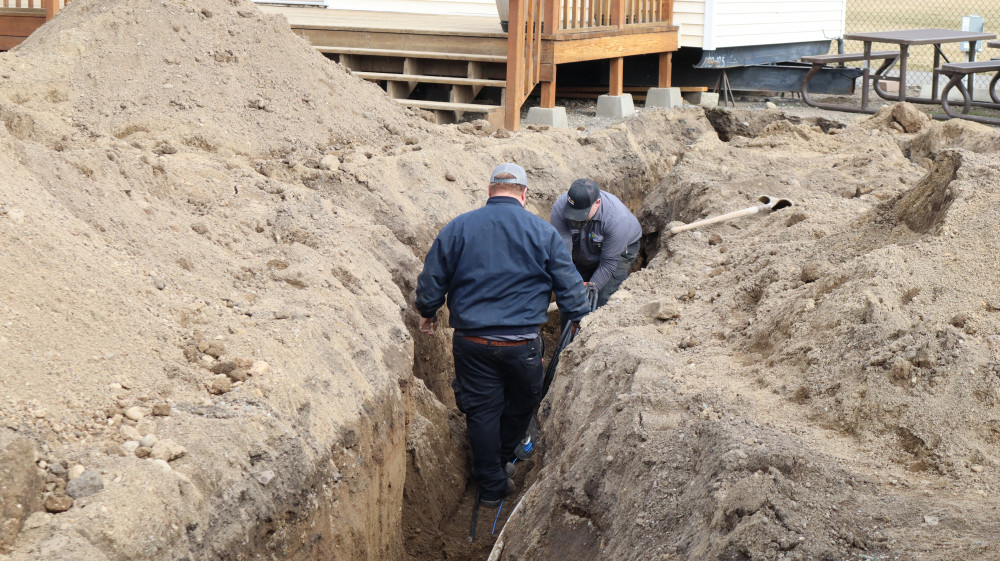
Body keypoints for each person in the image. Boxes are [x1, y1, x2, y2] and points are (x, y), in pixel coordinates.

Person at [415, 163, 591, 506]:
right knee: (523, 403)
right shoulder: (542, 232)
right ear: (524, 195)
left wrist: (427, 312)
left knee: (481, 411)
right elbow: (570, 286)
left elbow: (433, 277)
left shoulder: (458, 227)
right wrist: (578, 317)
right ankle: (499, 464)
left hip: (471, 342)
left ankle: (491, 483)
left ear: (489, 191)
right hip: (521, 344)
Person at [550, 178, 642, 308]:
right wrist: (570, 284)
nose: (575, 218)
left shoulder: (617, 219)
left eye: (581, 214)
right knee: (570, 297)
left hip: (618, 250)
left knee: (600, 299)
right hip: (584, 243)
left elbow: (608, 264)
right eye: (572, 213)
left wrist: (588, 290)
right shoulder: (560, 207)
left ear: (597, 203)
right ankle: (571, 326)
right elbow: (563, 250)